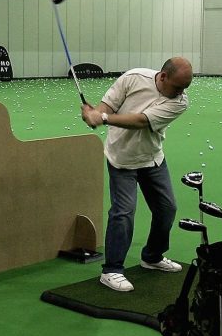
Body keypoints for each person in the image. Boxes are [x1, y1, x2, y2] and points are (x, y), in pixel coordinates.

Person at [81, 57, 194, 292]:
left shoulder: (180, 102)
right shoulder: (134, 78)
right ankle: (112, 270)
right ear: (163, 76)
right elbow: (107, 106)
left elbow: (141, 121)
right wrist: (94, 114)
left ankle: (152, 257)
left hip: (152, 158)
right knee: (123, 212)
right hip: (121, 159)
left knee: (167, 208)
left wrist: (100, 118)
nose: (181, 92)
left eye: (185, 87)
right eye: (177, 86)